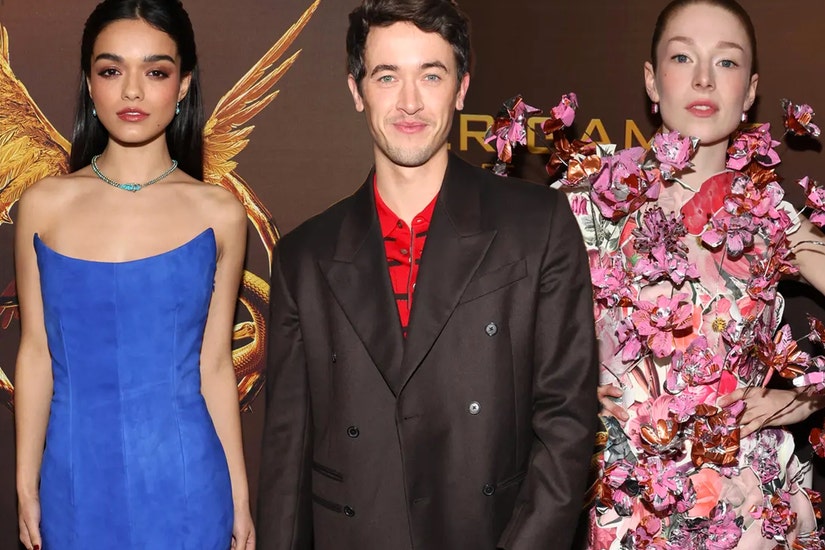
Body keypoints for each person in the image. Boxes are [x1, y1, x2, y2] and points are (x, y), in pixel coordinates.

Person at [256, 0, 599, 549]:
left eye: (431, 75)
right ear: (356, 90)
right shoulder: (304, 256)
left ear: (462, 89)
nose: (410, 101)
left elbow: (566, 423)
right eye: (387, 76)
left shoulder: (537, 226)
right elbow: (286, 458)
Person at [568, 0, 825, 547]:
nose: (704, 78)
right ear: (651, 80)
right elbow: (498, 337)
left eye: (726, 62)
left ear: (750, 92)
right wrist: (561, 387)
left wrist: (800, 402)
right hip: (624, 508)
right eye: (683, 57)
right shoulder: (588, 201)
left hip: (743, 512)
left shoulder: (771, 217)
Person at [13, 1, 255, 548]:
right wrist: (26, 484)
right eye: (111, 70)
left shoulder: (219, 213)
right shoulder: (43, 205)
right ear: (89, 83)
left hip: (189, 483)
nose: (132, 91)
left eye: (156, 72)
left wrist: (239, 498)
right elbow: (35, 354)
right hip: (74, 481)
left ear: (184, 84)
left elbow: (215, 365)